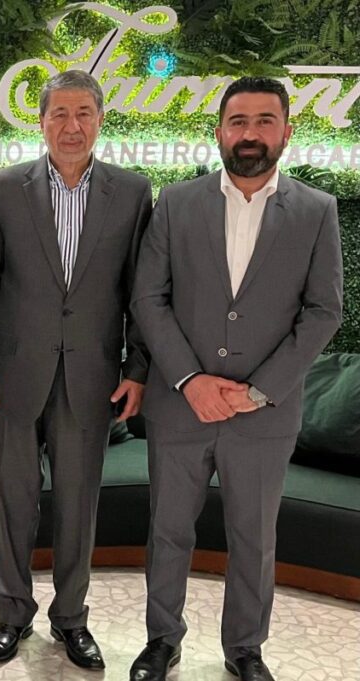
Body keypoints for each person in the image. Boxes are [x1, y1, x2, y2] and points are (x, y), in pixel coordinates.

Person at [128, 76, 342, 681]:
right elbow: (148, 298)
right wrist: (189, 380)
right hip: (181, 408)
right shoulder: (176, 203)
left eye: (264, 121)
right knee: (168, 531)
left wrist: (258, 390)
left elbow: (324, 311)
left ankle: (245, 648)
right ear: (219, 131)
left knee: (254, 537)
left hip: (263, 415)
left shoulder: (316, 211)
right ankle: (161, 640)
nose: (250, 133)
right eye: (239, 121)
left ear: (287, 132)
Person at [0, 70, 152, 671]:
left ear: (100, 120)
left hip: (90, 378)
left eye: (83, 114)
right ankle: (11, 614)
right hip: (13, 375)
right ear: (41, 122)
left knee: (77, 506)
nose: (72, 127)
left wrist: (137, 368)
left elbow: (141, 292)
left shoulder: (132, 192)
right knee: (12, 502)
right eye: (60, 114)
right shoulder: (4, 188)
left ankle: (71, 618)